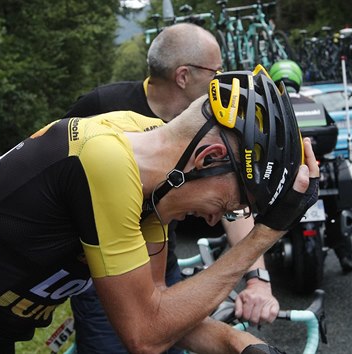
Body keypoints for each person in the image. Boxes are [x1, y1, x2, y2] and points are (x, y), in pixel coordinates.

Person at [0, 67, 319, 354]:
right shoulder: (109, 163)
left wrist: (240, 344)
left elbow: (159, 306)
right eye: (227, 205)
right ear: (208, 157)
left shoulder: (145, 152)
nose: (214, 219)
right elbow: (145, 336)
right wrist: (266, 232)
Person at [65, 23, 280, 354]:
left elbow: (229, 199)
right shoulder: (101, 106)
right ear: (184, 76)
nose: (222, 79)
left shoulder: (215, 121)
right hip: (104, 275)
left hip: (161, 263)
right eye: (216, 70)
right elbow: (55, 176)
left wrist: (257, 278)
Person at [269, 59, 352, 274]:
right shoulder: (311, 102)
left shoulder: (272, 104)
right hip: (316, 163)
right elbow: (331, 128)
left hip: (287, 167)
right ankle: (345, 255)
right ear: (297, 78)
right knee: (336, 207)